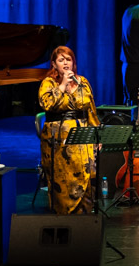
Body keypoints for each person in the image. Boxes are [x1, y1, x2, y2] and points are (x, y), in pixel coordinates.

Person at [38, 46, 102, 214]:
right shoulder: (48, 83)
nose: (65, 63)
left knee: (88, 178)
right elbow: (47, 104)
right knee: (63, 182)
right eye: (61, 60)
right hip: (58, 141)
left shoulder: (83, 81)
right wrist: (63, 84)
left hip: (82, 137)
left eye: (68, 59)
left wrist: (97, 135)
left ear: (73, 63)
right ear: (54, 64)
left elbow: (91, 109)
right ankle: (65, 218)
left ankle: (86, 218)